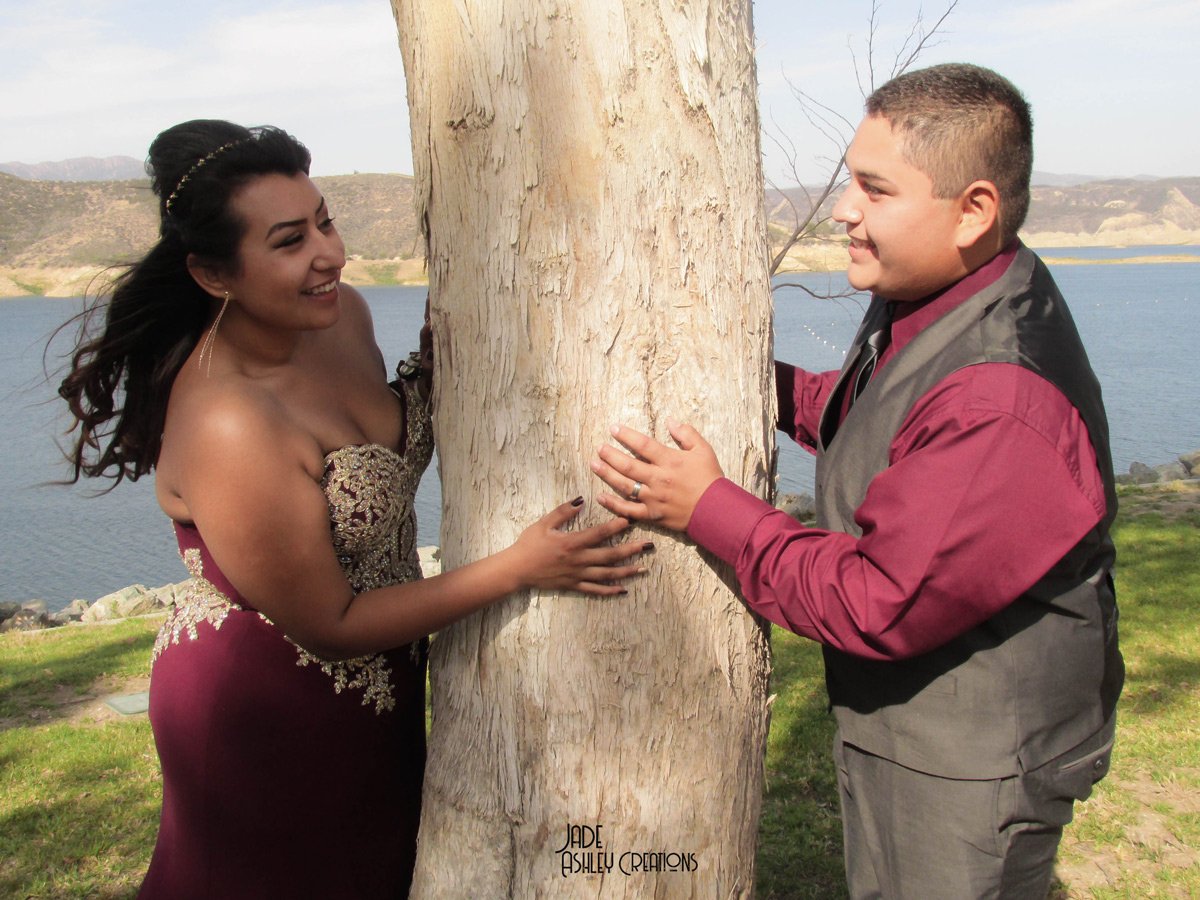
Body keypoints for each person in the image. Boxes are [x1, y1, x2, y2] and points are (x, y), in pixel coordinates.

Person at [58, 119, 647, 899]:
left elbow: (390, 446)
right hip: (262, 712)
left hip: (379, 694)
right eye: (289, 241)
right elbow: (329, 624)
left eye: (325, 222)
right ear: (213, 274)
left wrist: (449, 359)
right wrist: (518, 568)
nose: (328, 254)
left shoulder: (345, 317)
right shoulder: (228, 422)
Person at [591, 64, 1123, 898]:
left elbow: (878, 602)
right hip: (928, 733)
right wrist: (748, 383)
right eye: (850, 182)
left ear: (973, 210)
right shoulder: (946, 290)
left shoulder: (999, 395)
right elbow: (886, 423)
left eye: (874, 190)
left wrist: (708, 510)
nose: (844, 209)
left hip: (975, 762)